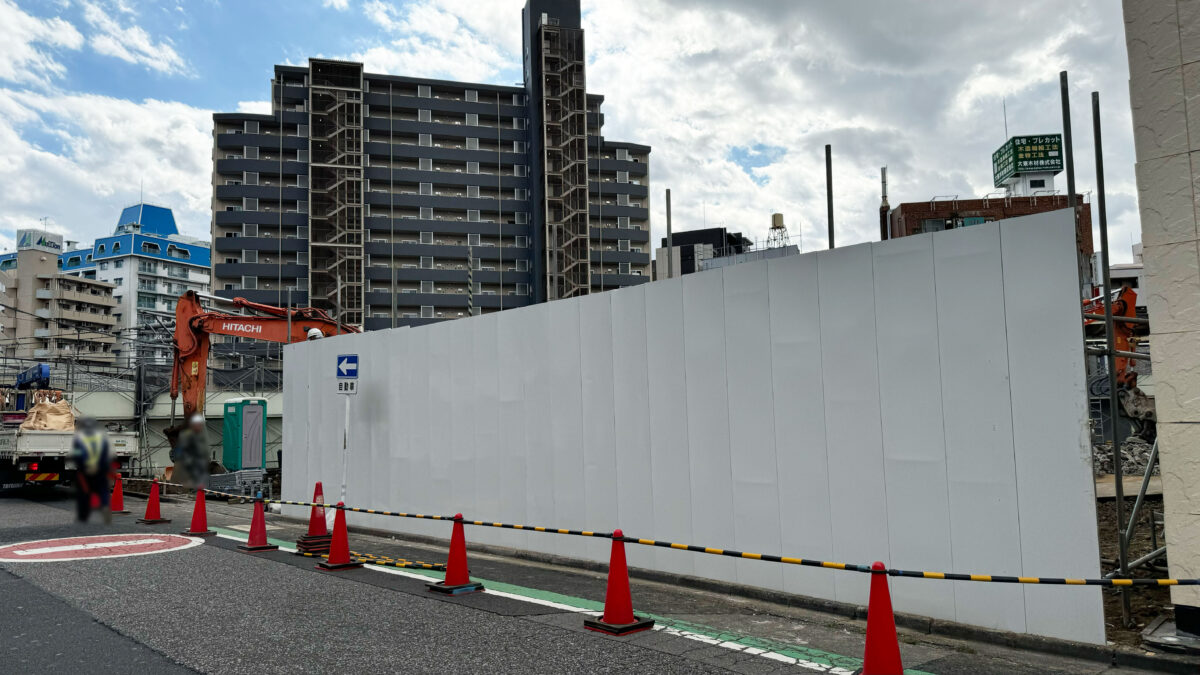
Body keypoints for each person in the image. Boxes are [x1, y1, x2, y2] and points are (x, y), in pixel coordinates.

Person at [71, 417, 111, 524]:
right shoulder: (101, 439)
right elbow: (105, 454)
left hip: (86, 469)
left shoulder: (80, 440)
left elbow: (78, 455)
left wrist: (81, 467)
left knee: (84, 491)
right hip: (100, 469)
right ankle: (105, 509)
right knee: (103, 490)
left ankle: (83, 516)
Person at [173, 413, 210, 490]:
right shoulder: (186, 435)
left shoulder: (201, 435)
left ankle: (199, 490)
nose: (199, 427)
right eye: (198, 425)